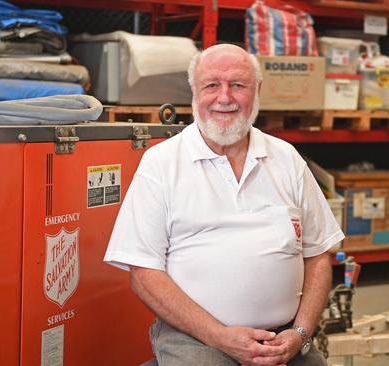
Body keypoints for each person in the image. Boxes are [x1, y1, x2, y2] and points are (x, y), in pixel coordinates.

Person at [104, 43, 344, 366]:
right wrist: (219, 336)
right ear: (194, 92)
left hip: (282, 340)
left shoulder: (286, 158)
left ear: (257, 90)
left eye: (238, 85)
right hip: (197, 340)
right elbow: (143, 273)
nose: (225, 98)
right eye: (212, 85)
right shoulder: (161, 163)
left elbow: (318, 255)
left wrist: (300, 333)